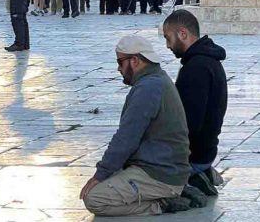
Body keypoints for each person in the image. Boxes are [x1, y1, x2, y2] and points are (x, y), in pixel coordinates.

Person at [80, 36, 204, 216]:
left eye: (120, 62)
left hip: (160, 174)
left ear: (135, 61)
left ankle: (161, 204)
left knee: (94, 198)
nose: (118, 68)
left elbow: (125, 138)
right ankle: (166, 193)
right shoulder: (156, 79)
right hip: (159, 167)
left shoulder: (148, 88)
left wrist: (101, 174)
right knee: (108, 181)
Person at [163, 10, 227, 196]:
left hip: (194, 157)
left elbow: (189, 124)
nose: (167, 45)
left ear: (182, 34)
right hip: (206, 152)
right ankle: (201, 174)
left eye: (168, 38)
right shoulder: (208, 61)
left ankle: (191, 180)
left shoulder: (196, 68)